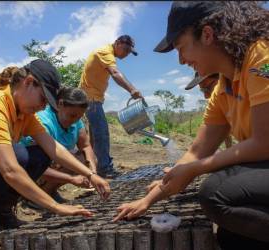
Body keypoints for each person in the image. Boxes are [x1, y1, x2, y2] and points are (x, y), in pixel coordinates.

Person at [114, 2, 269, 250]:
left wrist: (196, 169)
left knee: (216, 193)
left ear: (207, 34)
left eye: (181, 48)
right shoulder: (222, 91)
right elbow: (196, 152)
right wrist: (148, 200)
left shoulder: (262, 55)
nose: (181, 60)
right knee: (232, 236)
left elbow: (264, 142)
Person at [0, 59, 110, 247]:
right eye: (43, 99)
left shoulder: (24, 114)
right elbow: (9, 170)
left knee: (38, 155)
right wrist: (55, 206)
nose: (43, 107)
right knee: (17, 155)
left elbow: (53, 147)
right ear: (28, 82)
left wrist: (90, 175)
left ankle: (0, 213)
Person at [80, 35, 143, 178]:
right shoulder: (105, 52)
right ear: (117, 43)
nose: (126, 54)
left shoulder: (107, 53)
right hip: (91, 99)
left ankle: (91, 167)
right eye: (126, 49)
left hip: (92, 98)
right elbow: (114, 72)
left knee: (95, 137)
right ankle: (104, 169)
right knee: (102, 133)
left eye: (129, 52)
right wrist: (132, 89)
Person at [20, 86, 97, 204]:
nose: (76, 120)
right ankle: (35, 198)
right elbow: (35, 165)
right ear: (60, 104)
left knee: (84, 159)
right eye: (72, 116)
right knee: (58, 159)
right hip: (28, 170)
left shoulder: (76, 120)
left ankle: (50, 191)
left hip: (52, 165)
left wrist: (93, 172)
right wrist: (71, 179)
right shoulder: (43, 122)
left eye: (79, 117)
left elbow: (86, 146)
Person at [185, 72, 233, 148]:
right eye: (202, 91)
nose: (206, 96)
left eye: (208, 88)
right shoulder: (219, 104)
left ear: (222, 78)